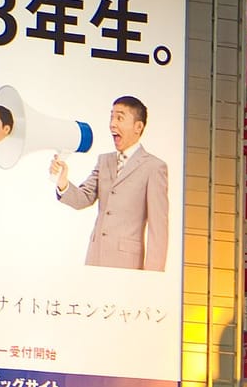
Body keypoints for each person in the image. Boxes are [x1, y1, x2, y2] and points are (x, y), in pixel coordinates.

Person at [50, 95, 169, 271]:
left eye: (120, 117)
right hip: (95, 260)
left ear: (138, 126)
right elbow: (83, 199)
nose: (112, 124)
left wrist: (152, 278)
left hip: (127, 267)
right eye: (111, 117)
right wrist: (62, 181)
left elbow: (158, 230)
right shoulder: (104, 161)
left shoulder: (154, 167)